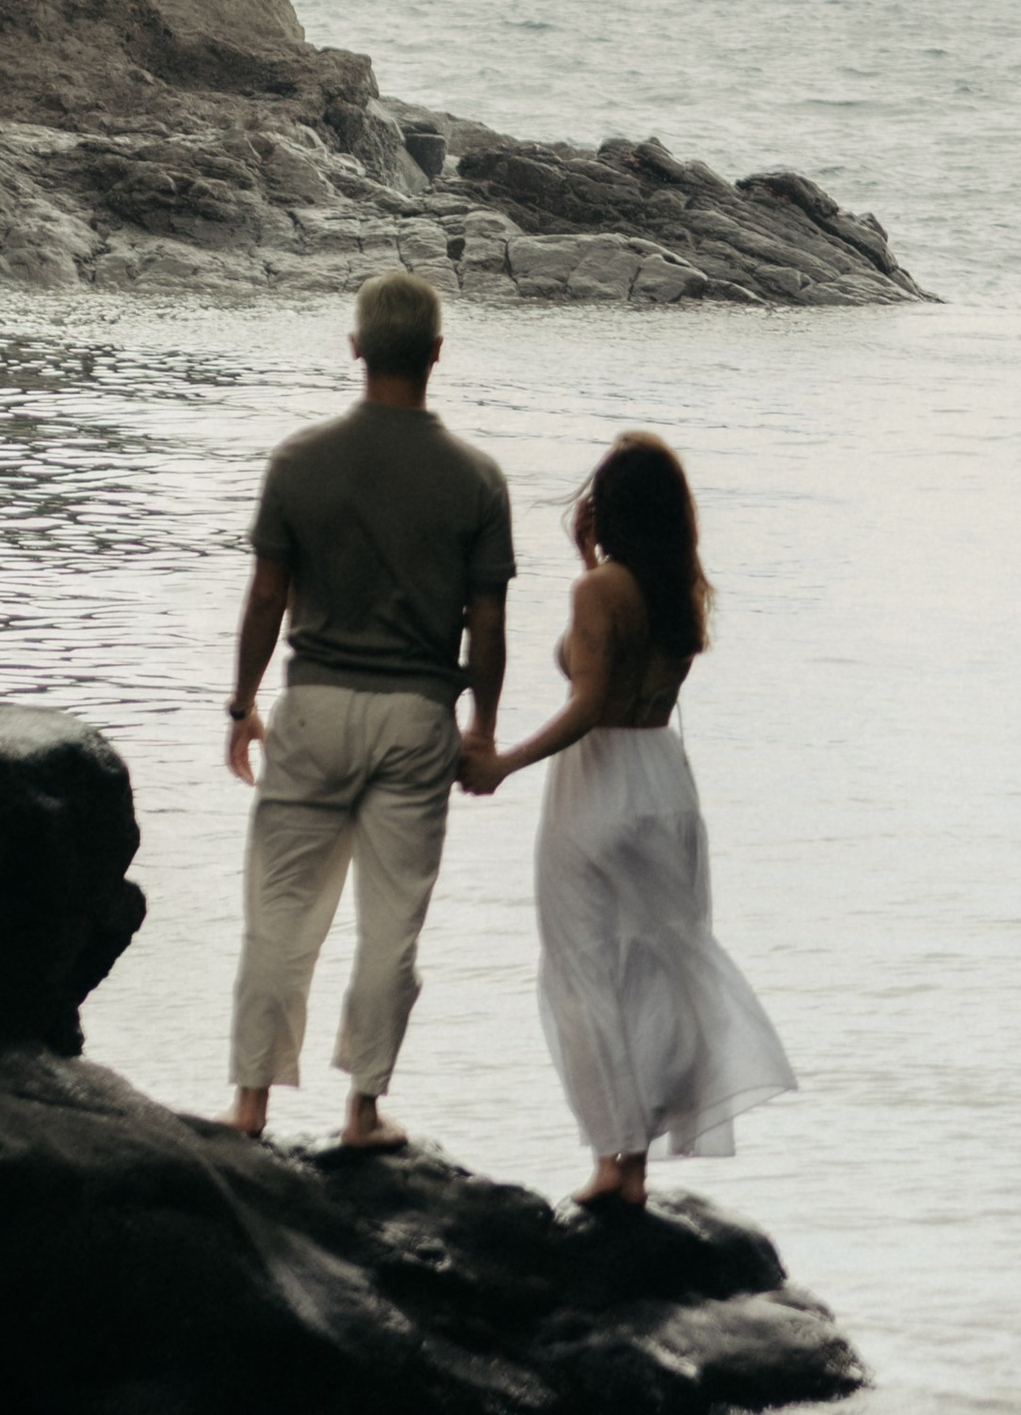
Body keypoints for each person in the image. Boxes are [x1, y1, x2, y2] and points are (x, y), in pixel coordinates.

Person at [459, 430, 792, 1204]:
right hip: (664, 785)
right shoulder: (681, 591)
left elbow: (589, 702)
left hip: (599, 784)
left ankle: (615, 1162)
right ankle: (634, 1162)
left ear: (610, 508)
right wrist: (589, 563)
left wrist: (503, 762)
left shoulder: (601, 593)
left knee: (584, 966)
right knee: (655, 965)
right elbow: (623, 666)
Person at [222, 269, 513, 1152]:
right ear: (436, 354)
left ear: (356, 348)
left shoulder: (298, 461)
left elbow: (266, 596)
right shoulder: (477, 478)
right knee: (392, 923)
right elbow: (487, 624)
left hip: (313, 705)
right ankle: (361, 1113)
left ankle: (250, 1106)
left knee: (281, 910)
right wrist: (483, 729)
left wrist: (242, 704)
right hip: (417, 715)